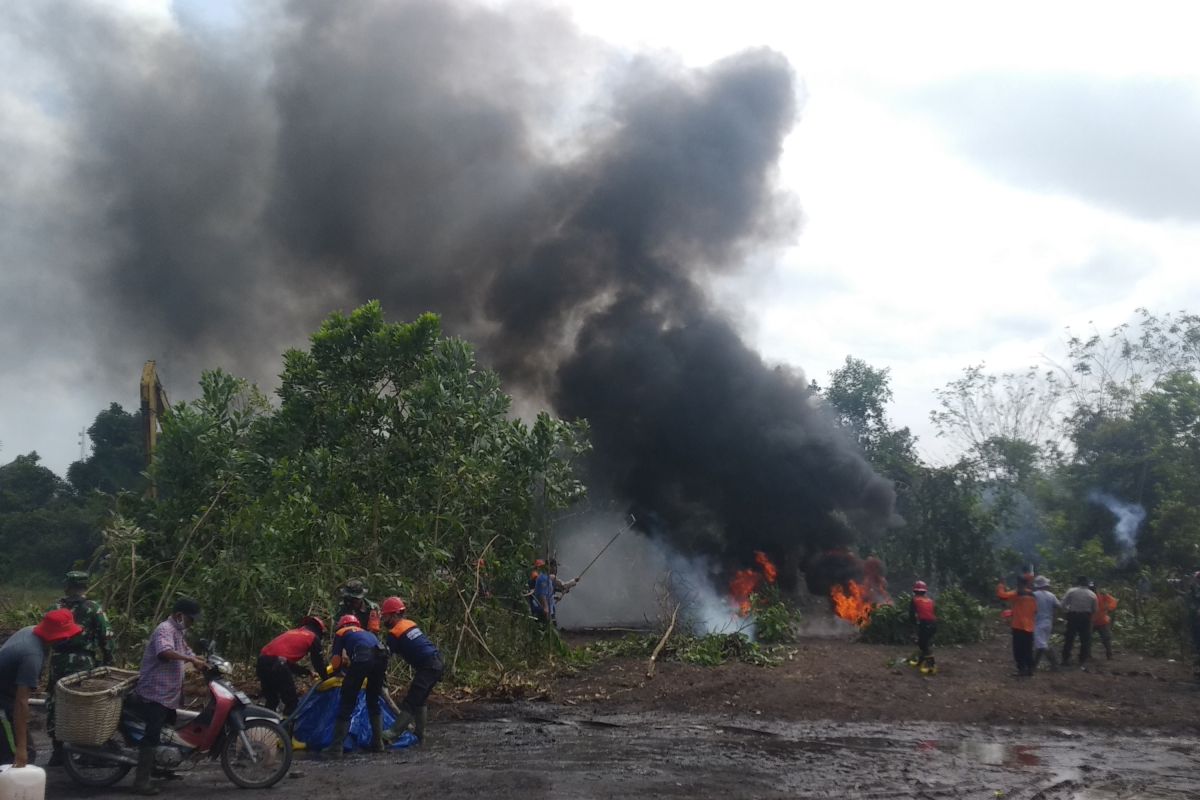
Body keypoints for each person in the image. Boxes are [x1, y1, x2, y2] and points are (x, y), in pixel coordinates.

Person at [127, 597, 207, 795]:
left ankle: (159, 767)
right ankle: (141, 781)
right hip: (155, 692)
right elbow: (165, 652)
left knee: (166, 730)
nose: (192, 623)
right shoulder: (165, 630)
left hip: (167, 693)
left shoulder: (178, 632)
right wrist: (189, 658)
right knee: (152, 735)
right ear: (179, 616)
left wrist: (200, 660)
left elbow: (186, 650)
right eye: (190, 619)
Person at [45, 570, 114, 766]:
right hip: (84, 663)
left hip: (58, 663)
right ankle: (87, 751)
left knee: (57, 702)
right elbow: (106, 637)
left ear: (66, 586)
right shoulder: (94, 609)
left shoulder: (54, 608)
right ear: (85, 587)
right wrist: (108, 661)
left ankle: (57, 751)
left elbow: (44, 635)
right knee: (85, 705)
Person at [0, 609, 82, 768]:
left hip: (6, 692)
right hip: (4, 698)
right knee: (20, 755)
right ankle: (13, 791)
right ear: (59, 637)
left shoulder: (31, 631)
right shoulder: (31, 655)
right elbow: (21, 703)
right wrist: (21, 749)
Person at [380, 596, 444, 744]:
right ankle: (420, 734)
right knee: (420, 700)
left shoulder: (394, 633)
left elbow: (386, 656)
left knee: (411, 700)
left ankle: (393, 733)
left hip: (428, 665)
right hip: (437, 662)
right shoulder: (410, 624)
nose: (384, 620)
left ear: (395, 615)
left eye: (386, 616)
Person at [327, 613, 388, 757]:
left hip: (362, 659)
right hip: (382, 658)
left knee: (347, 702)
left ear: (342, 625)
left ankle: (336, 748)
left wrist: (336, 672)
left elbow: (336, 660)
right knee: (373, 701)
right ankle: (378, 743)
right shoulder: (368, 633)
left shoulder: (341, 633)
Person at [256, 616, 327, 716]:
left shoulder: (292, 633)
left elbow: (284, 660)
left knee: (272, 700)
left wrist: (307, 672)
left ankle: (265, 727)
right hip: (277, 665)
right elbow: (318, 663)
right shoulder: (312, 637)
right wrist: (326, 678)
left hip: (262, 662)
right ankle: (285, 729)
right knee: (291, 703)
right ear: (319, 630)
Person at [997, 576, 1037, 677]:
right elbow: (1036, 610)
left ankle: (1021, 669)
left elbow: (1002, 596)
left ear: (1019, 583)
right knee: (1028, 648)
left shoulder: (1017, 593)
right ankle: (1030, 669)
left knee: (1018, 649)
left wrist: (1001, 584)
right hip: (1030, 626)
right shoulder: (1032, 594)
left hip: (1019, 625)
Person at [1060, 576, 1097, 667]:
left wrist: (1066, 612)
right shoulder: (1092, 594)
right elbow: (1095, 609)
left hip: (1073, 616)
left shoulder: (1071, 591)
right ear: (1087, 583)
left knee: (1069, 638)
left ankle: (1065, 658)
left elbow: (1063, 604)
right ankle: (1082, 659)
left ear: (1078, 582)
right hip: (1086, 617)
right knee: (1085, 639)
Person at [1031, 575, 1060, 672]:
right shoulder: (1051, 595)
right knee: (1041, 643)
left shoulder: (1034, 595)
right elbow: (1058, 606)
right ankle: (1034, 664)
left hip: (1037, 622)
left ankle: (1054, 663)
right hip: (1048, 622)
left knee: (1041, 645)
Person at [906, 580, 937, 674]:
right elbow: (931, 613)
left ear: (915, 591)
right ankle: (920, 662)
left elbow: (911, 614)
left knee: (923, 644)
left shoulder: (914, 600)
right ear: (925, 591)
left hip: (925, 624)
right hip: (933, 624)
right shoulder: (930, 600)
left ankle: (931, 666)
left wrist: (913, 626)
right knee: (923, 642)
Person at [1090, 581, 1118, 660]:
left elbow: (1113, 601)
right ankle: (1087, 655)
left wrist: (1109, 608)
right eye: (1091, 588)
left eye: (1093, 588)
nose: (1093, 590)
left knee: (1106, 638)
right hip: (1090, 622)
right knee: (1087, 638)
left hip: (1102, 621)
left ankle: (1109, 654)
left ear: (1096, 588)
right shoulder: (1087, 596)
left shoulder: (1103, 595)